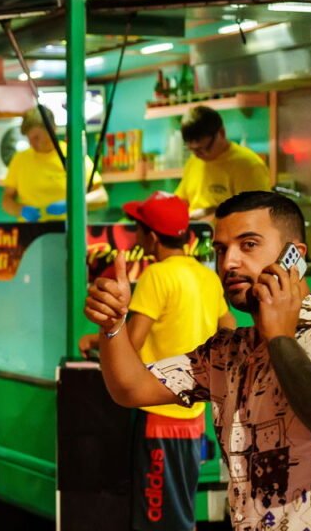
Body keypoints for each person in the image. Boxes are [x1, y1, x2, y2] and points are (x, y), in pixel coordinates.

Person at [86, 190, 311, 530]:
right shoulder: (227, 352)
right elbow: (130, 388)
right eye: (220, 249)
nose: (228, 262)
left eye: (248, 245)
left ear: (294, 255)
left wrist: (279, 337)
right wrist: (113, 328)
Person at [79, 191, 236, 531]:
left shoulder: (157, 275)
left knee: (157, 515)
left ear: (150, 236)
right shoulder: (206, 276)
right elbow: (230, 330)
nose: (135, 236)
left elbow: (130, 343)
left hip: (159, 416)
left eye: (137, 229)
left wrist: (95, 337)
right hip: (193, 415)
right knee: (179, 506)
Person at [0, 106, 108, 222]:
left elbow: (101, 196)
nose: (32, 144)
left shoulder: (73, 156)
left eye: (36, 138)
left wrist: (72, 204)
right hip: (31, 232)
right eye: (29, 138)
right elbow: (7, 200)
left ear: (52, 129)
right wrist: (21, 210)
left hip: (69, 230)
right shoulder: (20, 159)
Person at [174, 106, 271, 220]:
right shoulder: (194, 161)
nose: (198, 155)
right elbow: (181, 201)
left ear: (221, 133)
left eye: (204, 148)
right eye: (192, 149)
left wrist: (213, 212)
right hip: (196, 235)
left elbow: (257, 215)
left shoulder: (248, 166)